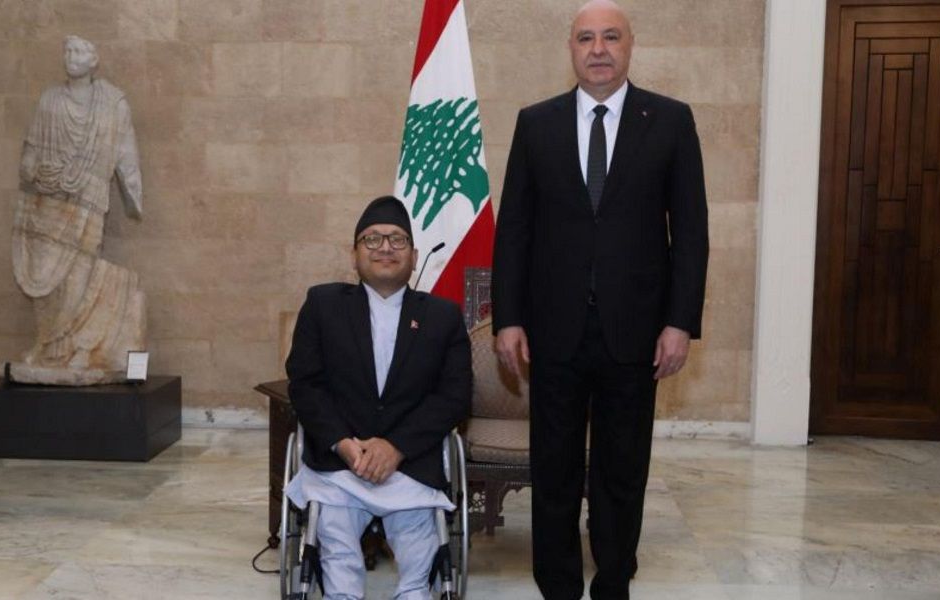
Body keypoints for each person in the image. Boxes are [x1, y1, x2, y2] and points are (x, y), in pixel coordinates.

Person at [491, 1, 709, 598]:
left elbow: (690, 232)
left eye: (611, 37)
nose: (599, 49)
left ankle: (613, 581)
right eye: (586, 38)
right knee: (554, 469)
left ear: (629, 45)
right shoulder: (536, 123)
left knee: (622, 470)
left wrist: (680, 322)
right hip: (553, 329)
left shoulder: (670, 120)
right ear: (571, 48)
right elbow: (514, 230)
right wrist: (508, 318)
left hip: (636, 332)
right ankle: (558, 585)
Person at [285, 195, 472, 600]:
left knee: (417, 570)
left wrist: (396, 448)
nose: (385, 247)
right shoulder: (322, 305)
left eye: (397, 239)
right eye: (372, 239)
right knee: (339, 563)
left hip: (410, 465)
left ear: (414, 256)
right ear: (353, 255)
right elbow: (305, 384)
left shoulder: (442, 316)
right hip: (340, 465)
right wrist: (344, 444)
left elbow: (454, 396)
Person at [10, 35, 145, 385]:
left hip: (88, 197)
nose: (72, 56)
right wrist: (31, 168)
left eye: (80, 51)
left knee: (79, 273)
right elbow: (31, 147)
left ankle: (76, 347)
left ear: (94, 59)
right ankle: (46, 346)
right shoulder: (50, 99)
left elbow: (125, 148)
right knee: (46, 276)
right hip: (49, 198)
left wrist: (133, 190)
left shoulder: (112, 102)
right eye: (68, 51)